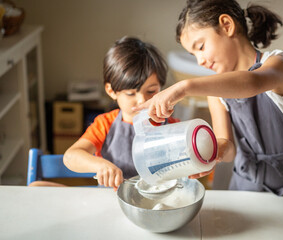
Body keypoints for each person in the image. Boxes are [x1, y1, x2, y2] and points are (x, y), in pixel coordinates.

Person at [133, 0, 283, 196]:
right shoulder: (215, 92)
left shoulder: (281, 65)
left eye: (200, 47)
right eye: (193, 54)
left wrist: (184, 87)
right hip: (247, 185)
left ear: (227, 25)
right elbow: (228, 145)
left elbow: (252, 83)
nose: (200, 61)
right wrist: (212, 154)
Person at [30, 37, 179, 190]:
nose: (142, 100)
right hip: (110, 199)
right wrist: (101, 165)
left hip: (156, 201)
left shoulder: (173, 127)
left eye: (151, 91)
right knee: (36, 186)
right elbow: (71, 157)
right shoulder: (105, 124)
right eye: (130, 93)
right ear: (111, 91)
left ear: (161, 88)